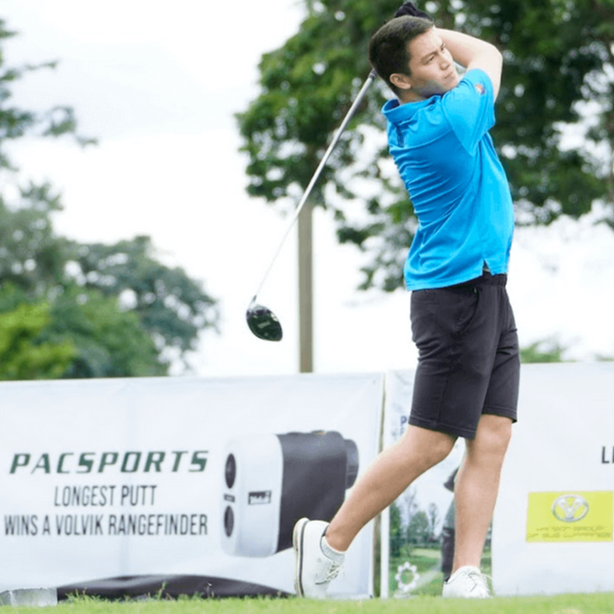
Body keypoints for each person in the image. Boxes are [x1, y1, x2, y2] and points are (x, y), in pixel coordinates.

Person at [293, 1, 520, 600]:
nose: (446, 61)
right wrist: (438, 28)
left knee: (492, 433)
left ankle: (464, 574)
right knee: (431, 442)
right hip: (455, 296)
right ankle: (329, 542)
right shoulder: (445, 122)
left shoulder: (422, 107)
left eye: (443, 52)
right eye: (430, 58)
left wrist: (423, 37)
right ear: (400, 79)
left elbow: (456, 60)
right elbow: (488, 54)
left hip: (487, 285)